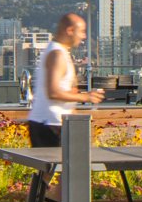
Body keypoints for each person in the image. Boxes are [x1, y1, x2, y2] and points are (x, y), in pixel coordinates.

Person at [25, 12, 101, 147]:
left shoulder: (58, 52)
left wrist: (74, 115)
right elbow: (53, 92)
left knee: (67, 166)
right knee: (63, 167)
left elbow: (66, 91)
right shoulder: (57, 55)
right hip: (50, 124)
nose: (84, 36)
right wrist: (86, 97)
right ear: (70, 30)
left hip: (53, 122)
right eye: (82, 31)